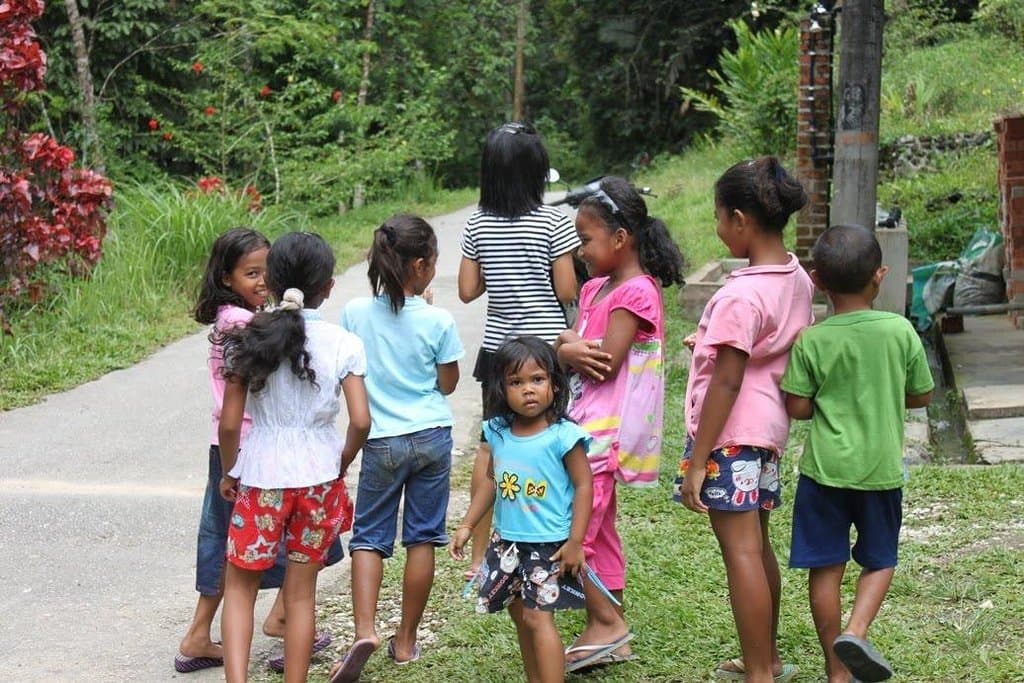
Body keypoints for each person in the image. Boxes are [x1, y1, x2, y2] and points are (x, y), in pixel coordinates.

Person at [176, 227, 340, 674]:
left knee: (240, 547)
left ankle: (278, 618)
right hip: (249, 452)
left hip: (250, 452)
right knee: (241, 549)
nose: (263, 282)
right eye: (251, 273)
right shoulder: (243, 325)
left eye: (268, 271)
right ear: (226, 278)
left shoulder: (245, 320)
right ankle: (254, 624)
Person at [675, 156, 812, 683]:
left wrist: (698, 460)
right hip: (767, 433)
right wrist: (708, 343)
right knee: (758, 547)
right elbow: (765, 346)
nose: (716, 228)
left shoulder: (740, 292)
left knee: (742, 556)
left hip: (729, 439)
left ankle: (759, 672)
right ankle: (768, 659)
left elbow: (728, 382)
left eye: (717, 217)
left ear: (740, 219)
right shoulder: (794, 276)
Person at [781, 224, 934, 683]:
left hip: (824, 473)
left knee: (825, 568)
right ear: (879, 276)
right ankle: (858, 629)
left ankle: (836, 672)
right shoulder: (899, 330)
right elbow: (922, 395)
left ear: (819, 280)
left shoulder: (812, 339)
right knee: (880, 558)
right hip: (880, 473)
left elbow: (798, 407)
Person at [217, 232, 371, 683]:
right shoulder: (344, 342)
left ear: (271, 279)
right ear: (327, 287)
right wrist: (340, 462)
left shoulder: (247, 339)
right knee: (301, 597)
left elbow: (229, 425)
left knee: (240, 589)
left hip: (261, 476)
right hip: (319, 479)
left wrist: (231, 471)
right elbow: (361, 420)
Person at [554, 176, 685, 672]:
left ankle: (608, 623)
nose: (579, 250)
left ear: (620, 238)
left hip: (603, 436)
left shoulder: (637, 293)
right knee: (600, 532)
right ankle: (606, 624)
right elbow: (578, 342)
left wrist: (565, 349)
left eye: (585, 239)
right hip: (582, 426)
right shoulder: (594, 288)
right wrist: (567, 346)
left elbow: (604, 360)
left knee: (577, 532)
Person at [329, 215, 465, 682]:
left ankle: (364, 630)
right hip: (431, 435)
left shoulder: (353, 314)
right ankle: (406, 641)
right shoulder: (439, 319)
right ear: (422, 266)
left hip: (382, 440)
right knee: (422, 536)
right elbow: (447, 384)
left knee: (369, 536)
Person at [458, 121, 579, 579]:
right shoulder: (554, 222)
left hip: (499, 354)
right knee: (551, 445)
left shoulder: (477, 223)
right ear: (537, 172)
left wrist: (499, 266)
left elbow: (468, 290)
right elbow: (566, 289)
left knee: (490, 450)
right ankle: (551, 537)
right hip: (546, 353)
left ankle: (477, 558)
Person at [450, 336, 593, 683]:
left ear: (554, 385)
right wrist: (469, 524)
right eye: (516, 382)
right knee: (520, 616)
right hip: (507, 545)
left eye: (537, 379)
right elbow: (490, 482)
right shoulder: (498, 432)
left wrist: (576, 542)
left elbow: (584, 485)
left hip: (548, 545)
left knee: (537, 618)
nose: (528, 390)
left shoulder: (563, 436)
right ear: (501, 387)